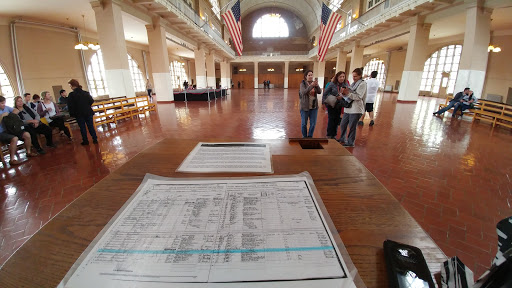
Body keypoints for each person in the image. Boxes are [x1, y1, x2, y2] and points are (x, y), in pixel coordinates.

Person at [0, 95, 38, 165]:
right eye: (2, 103)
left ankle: (28, 152)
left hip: (11, 129)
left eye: (4, 103)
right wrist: (2, 116)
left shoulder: (6, 108)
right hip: (2, 132)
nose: (4, 105)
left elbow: (16, 110)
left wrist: (10, 114)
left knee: (27, 135)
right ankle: (12, 160)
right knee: (14, 138)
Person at [338, 68, 367, 147]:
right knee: (343, 124)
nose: (354, 78)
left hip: (356, 109)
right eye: (353, 76)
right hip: (348, 108)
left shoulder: (362, 84)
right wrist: (343, 93)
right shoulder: (353, 84)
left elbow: (359, 96)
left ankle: (350, 142)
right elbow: (349, 92)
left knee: (352, 126)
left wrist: (347, 93)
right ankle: (342, 138)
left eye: (356, 76)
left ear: (360, 76)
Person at [67, 79, 98, 145]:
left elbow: (70, 105)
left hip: (79, 114)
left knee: (82, 127)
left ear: (72, 86)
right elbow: (91, 101)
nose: (70, 87)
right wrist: (86, 106)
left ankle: (85, 140)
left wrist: (72, 113)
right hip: (88, 112)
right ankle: (95, 139)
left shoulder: (72, 95)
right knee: (91, 126)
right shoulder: (85, 93)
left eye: (70, 86)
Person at [323, 71, 349, 139]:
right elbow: (325, 93)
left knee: (337, 119)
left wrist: (342, 96)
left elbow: (348, 94)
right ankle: (329, 134)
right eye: (340, 77)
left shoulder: (345, 85)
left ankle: (334, 135)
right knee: (331, 119)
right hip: (331, 104)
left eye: (343, 77)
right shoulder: (332, 84)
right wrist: (324, 103)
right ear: (337, 77)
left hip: (339, 105)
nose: (342, 78)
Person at [299, 70, 321, 138]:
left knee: (313, 124)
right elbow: (304, 92)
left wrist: (317, 86)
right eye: (309, 75)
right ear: (306, 76)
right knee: (304, 124)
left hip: (314, 107)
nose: (311, 76)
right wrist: (311, 86)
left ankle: (310, 136)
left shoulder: (314, 83)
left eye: (311, 75)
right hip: (305, 107)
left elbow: (319, 92)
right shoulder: (303, 84)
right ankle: (304, 137)